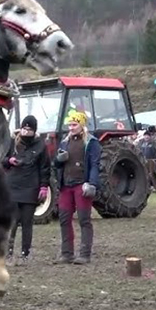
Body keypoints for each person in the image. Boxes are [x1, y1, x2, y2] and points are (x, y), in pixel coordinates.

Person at [53, 110, 101, 265]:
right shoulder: (64, 142)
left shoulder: (91, 143)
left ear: (82, 125)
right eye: (69, 124)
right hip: (66, 185)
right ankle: (67, 254)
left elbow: (94, 164)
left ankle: (85, 254)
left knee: (84, 219)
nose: (71, 127)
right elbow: (56, 164)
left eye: (74, 124)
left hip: (82, 184)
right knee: (64, 219)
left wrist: (92, 183)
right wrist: (59, 160)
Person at [3, 115, 50, 266]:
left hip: (31, 188)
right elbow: (1, 160)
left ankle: (25, 253)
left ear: (34, 130)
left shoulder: (40, 146)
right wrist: (9, 161)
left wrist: (43, 186)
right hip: (13, 187)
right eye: (24, 128)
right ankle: (8, 253)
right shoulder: (12, 143)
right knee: (12, 222)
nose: (26, 131)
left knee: (27, 222)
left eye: (29, 129)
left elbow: (45, 168)